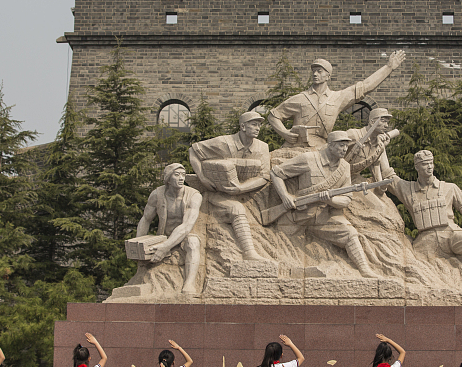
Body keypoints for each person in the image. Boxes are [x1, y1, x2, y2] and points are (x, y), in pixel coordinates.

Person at [386, 150, 462, 292]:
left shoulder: (449, 187)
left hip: (449, 234)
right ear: (417, 167)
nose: (429, 166)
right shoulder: (408, 189)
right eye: (424, 164)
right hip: (425, 241)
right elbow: (389, 175)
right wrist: (379, 145)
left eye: (431, 163)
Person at [269, 132, 375, 276]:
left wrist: (330, 200)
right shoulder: (308, 159)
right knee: (278, 242)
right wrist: (285, 196)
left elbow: (346, 199)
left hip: (324, 218)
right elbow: (276, 173)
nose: (345, 149)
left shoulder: (344, 167)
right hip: (298, 214)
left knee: (350, 233)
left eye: (346, 146)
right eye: (341, 145)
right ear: (330, 146)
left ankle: (365, 270)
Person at [267, 52, 406, 148]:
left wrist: (388, 68)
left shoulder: (337, 98)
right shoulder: (300, 99)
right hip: (295, 147)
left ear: (328, 76)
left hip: (322, 148)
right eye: (313, 71)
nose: (315, 74)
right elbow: (273, 115)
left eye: (319, 71)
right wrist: (284, 133)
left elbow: (365, 87)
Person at [189, 110, 272, 260]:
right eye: (254, 124)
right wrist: (202, 178)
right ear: (243, 127)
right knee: (236, 209)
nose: (258, 128)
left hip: (248, 193)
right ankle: (249, 253)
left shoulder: (262, 147)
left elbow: (265, 176)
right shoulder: (223, 143)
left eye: (259, 125)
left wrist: (241, 188)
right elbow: (193, 151)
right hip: (219, 194)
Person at [136, 164, 204, 294]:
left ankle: (189, 283)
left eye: (183, 175)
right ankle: (140, 274)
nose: (181, 178)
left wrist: (165, 247)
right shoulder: (157, 194)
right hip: (164, 235)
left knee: (193, 243)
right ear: (168, 178)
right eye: (176, 175)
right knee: (146, 249)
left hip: (185, 235)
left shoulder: (194, 195)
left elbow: (186, 226)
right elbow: (145, 219)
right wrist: (138, 243)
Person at [344, 107, 398, 182]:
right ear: (372, 122)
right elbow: (328, 148)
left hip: (353, 179)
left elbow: (375, 166)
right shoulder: (354, 135)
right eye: (383, 121)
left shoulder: (378, 145)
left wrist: (380, 186)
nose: (386, 125)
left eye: (387, 122)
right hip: (337, 177)